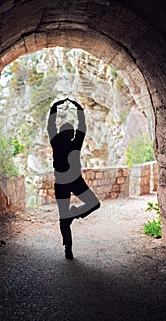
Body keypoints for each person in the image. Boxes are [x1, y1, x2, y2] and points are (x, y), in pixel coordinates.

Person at [47, 98, 101, 259]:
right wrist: (57, 107)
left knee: (94, 204)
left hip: (72, 181)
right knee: (65, 216)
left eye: (72, 131)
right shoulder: (61, 142)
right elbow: (53, 125)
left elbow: (79, 126)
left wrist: (76, 108)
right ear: (64, 133)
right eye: (69, 130)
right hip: (66, 182)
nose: (72, 132)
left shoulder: (69, 142)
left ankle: (74, 214)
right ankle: (68, 248)